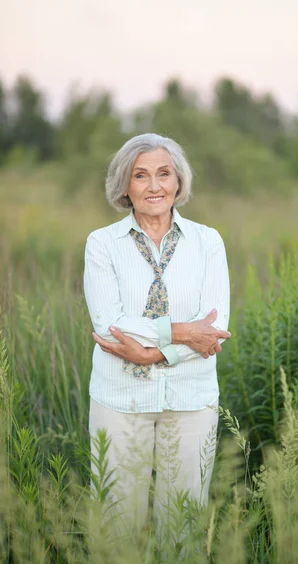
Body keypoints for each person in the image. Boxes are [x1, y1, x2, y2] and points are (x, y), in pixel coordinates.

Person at [84, 133, 231, 540]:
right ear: (124, 187)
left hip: (191, 400)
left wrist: (155, 355)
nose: (154, 186)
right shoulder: (102, 245)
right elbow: (108, 324)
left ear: (178, 181)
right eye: (141, 176)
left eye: (164, 174)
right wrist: (182, 332)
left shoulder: (208, 242)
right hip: (120, 400)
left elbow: (214, 329)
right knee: (118, 527)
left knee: (182, 529)